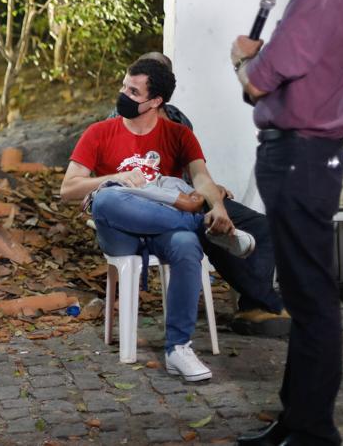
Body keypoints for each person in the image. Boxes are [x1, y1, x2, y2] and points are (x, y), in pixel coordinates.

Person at [232, 0, 343, 446]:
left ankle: (314, 431)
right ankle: (296, 420)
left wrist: (244, 58)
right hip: (304, 156)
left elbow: (261, 80)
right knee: (303, 291)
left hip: (303, 158)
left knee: (310, 297)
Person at [60, 58, 255, 382]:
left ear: (156, 101)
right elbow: (68, 188)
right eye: (124, 86)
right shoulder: (99, 132)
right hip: (121, 229)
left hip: (165, 224)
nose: (123, 94)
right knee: (108, 197)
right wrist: (118, 176)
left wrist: (217, 207)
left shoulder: (178, 134)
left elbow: (202, 179)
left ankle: (178, 349)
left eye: (133, 91)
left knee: (185, 244)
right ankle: (203, 227)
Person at [110, 51, 289, 336]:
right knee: (210, 229)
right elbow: (118, 175)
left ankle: (253, 305)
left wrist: (212, 192)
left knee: (261, 227)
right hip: (150, 203)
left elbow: (195, 171)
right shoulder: (120, 118)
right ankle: (267, 303)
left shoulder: (180, 122)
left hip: (190, 197)